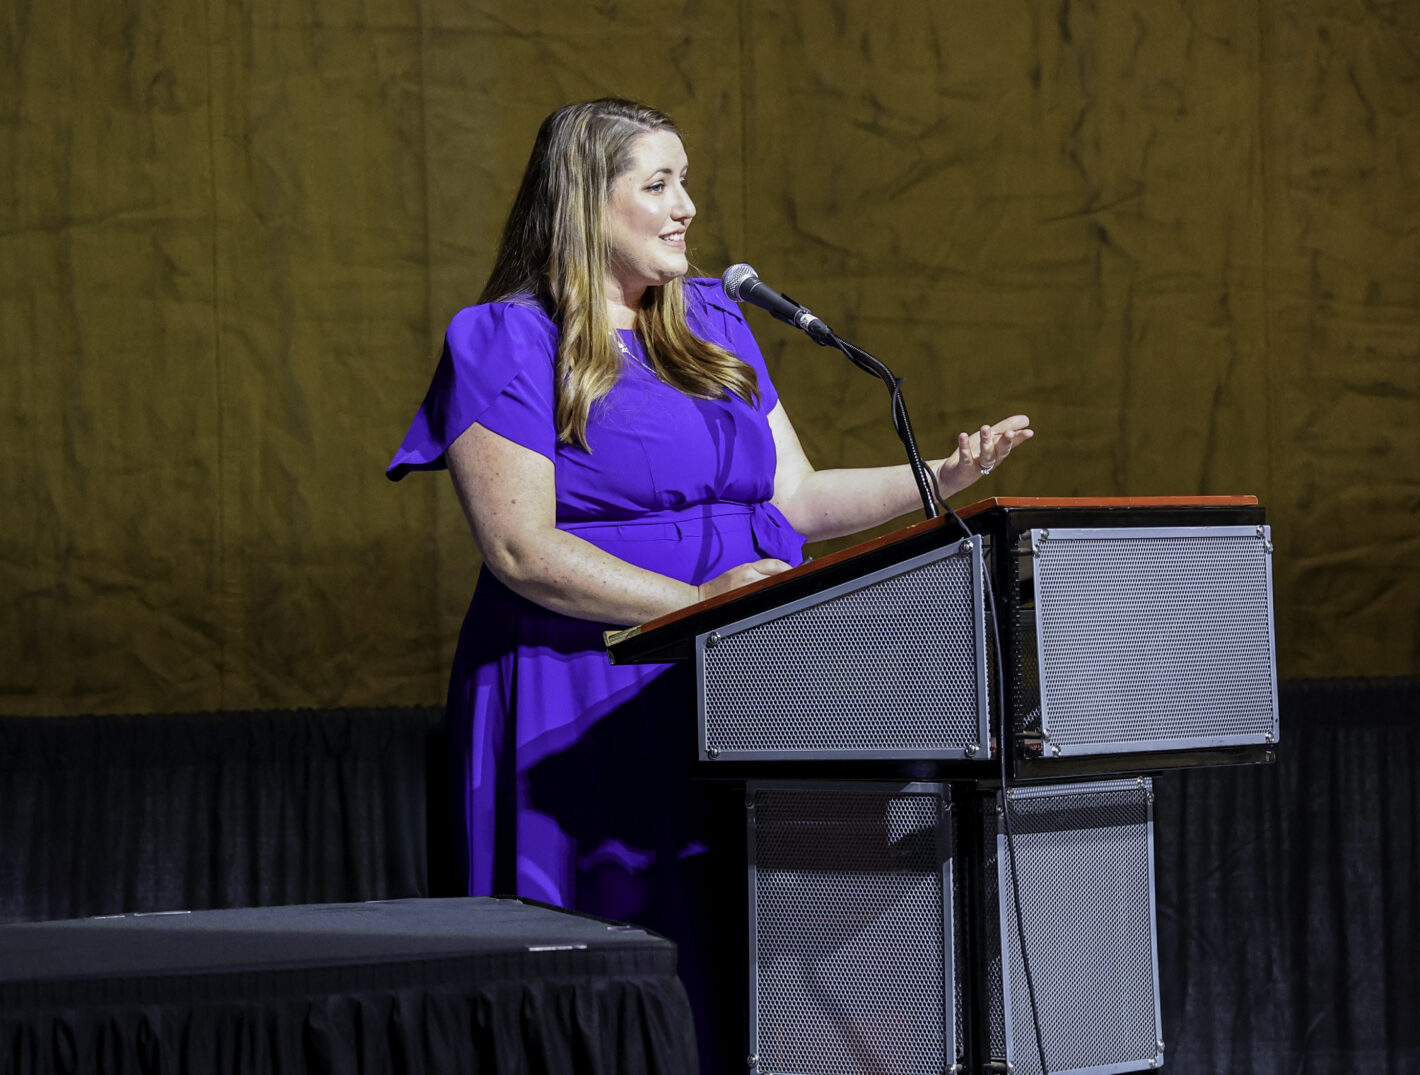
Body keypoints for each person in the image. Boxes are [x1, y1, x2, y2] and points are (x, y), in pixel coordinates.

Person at [387, 97, 1032, 1070]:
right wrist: (703, 610)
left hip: (738, 691)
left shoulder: (715, 319)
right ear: (583, 204)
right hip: (584, 690)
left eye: (685, 180)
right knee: (606, 972)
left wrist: (940, 479)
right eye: (658, 184)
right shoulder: (505, 339)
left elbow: (799, 498)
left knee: (740, 966)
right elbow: (519, 548)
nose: (687, 205)